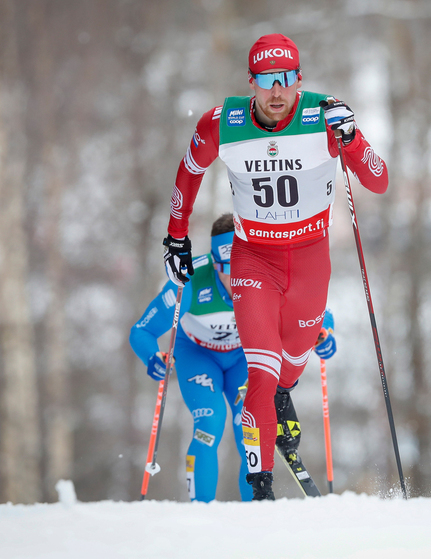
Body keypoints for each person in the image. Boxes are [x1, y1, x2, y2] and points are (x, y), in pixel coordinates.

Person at [161, 33, 387, 500]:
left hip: (309, 261)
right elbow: (189, 170)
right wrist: (175, 236)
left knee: (290, 364)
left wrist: (353, 138)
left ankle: (286, 391)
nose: (277, 91)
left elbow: (378, 180)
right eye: (267, 81)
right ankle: (260, 488)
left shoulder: (325, 115)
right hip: (253, 259)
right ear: (252, 83)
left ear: (298, 79)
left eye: (285, 79)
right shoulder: (223, 122)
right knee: (259, 372)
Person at [132, 212, 338, 502]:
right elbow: (141, 331)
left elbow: (315, 309)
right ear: (215, 264)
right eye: (227, 269)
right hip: (198, 355)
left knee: (249, 428)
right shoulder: (191, 278)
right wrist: (153, 358)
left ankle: (254, 513)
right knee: (210, 422)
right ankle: (200, 510)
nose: (236, 277)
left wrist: (324, 333)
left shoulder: (266, 270)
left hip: (244, 356)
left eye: (242, 267)